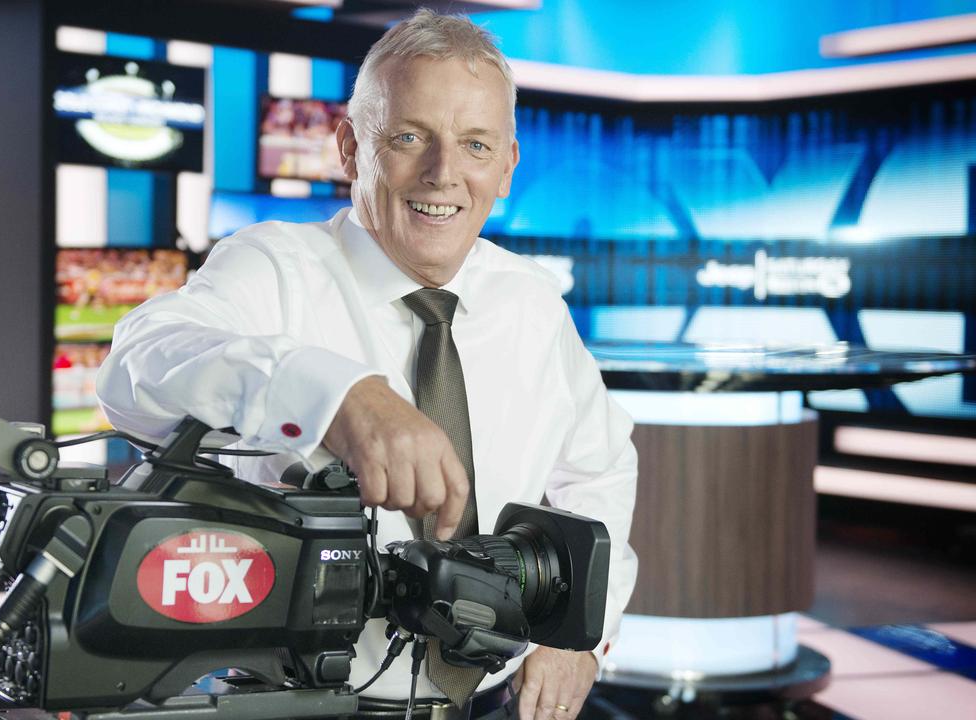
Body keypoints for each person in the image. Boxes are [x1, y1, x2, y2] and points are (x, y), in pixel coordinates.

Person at [97, 9, 637, 720]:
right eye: (410, 138)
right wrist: (340, 397)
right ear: (352, 149)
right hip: (302, 705)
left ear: (506, 168)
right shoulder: (275, 267)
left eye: (475, 145)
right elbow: (133, 367)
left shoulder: (531, 302)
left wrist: (579, 635)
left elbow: (597, 470)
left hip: (493, 703)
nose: (444, 174)